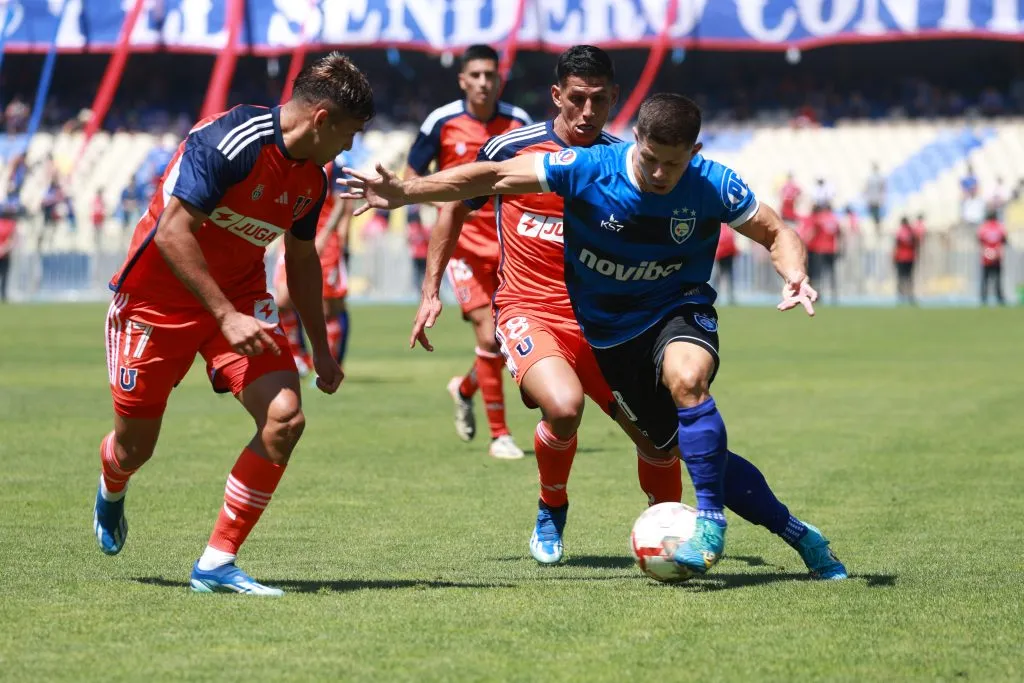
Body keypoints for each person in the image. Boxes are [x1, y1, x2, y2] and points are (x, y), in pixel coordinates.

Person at [344, 93, 847, 580]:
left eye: (672, 165)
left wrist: (795, 274)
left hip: (676, 311)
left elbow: (776, 231)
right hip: (610, 339)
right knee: (677, 446)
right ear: (636, 139)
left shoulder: (713, 183)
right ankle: (800, 533)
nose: (658, 174)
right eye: (650, 159)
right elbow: (495, 175)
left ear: (693, 155)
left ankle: (711, 522)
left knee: (688, 378)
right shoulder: (590, 168)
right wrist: (406, 192)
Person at [94, 52, 371, 596]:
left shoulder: (315, 177)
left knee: (285, 419)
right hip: (155, 302)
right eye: (350, 132)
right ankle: (112, 482)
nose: (351, 146)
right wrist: (223, 314)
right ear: (321, 120)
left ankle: (217, 562)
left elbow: (302, 258)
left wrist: (322, 348)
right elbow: (174, 232)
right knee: (135, 448)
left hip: (241, 302)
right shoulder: (229, 141)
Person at [406, 44, 532, 459]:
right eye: (475, 75)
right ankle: (500, 435)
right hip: (462, 248)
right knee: (488, 335)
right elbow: (411, 178)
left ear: (500, 79)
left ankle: (464, 388)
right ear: (462, 79)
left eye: (490, 75)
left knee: (503, 339)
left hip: (512, 247)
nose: (483, 82)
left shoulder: (519, 123)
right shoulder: (442, 121)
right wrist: (447, 208)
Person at [274, 159, 355, 375]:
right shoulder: (289, 154)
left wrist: (327, 234)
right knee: (282, 299)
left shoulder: (332, 161)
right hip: (292, 236)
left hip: (324, 240)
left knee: (328, 307)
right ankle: (298, 357)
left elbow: (341, 202)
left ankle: (331, 365)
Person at [805, 205, 841, 304]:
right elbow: (839, 234)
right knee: (831, 274)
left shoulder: (819, 218)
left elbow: (812, 233)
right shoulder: (834, 220)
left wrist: (805, 243)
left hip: (819, 249)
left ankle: (816, 296)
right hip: (831, 250)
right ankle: (834, 296)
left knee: (817, 275)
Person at [978, 210, 1008, 306]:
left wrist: (985, 252)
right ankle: (999, 298)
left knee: (985, 279)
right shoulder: (1000, 227)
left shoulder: (983, 228)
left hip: (986, 256)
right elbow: (1004, 241)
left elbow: (980, 241)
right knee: (997, 279)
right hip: (997, 255)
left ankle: (983, 298)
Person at [893, 216, 919, 306]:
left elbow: (897, 245)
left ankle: (901, 295)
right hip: (910, 257)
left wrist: (894, 257)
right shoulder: (911, 232)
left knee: (901, 277)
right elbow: (916, 244)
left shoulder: (900, 232)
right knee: (909, 277)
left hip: (901, 257)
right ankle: (909, 295)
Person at [714, 224, 738, 305]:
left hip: (722, 254)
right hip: (726, 254)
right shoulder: (728, 226)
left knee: (719, 276)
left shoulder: (721, 226)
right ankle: (730, 297)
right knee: (727, 276)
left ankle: (720, 297)